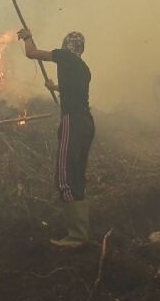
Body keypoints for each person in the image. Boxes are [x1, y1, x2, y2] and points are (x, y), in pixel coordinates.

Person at [17, 27, 94, 248]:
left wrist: (27, 37)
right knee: (77, 174)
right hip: (87, 124)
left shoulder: (64, 56)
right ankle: (80, 232)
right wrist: (55, 87)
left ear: (66, 46)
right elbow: (74, 92)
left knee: (65, 175)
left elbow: (32, 53)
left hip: (73, 122)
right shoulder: (83, 69)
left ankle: (76, 236)